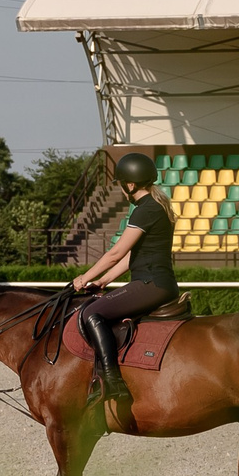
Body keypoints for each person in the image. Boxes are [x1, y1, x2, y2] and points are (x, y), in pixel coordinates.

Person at [70, 151, 179, 413]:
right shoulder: (155, 206)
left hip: (151, 284)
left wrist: (85, 277)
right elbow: (132, 257)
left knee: (91, 313)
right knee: (97, 303)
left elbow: (116, 253)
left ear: (130, 185)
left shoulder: (144, 210)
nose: (121, 188)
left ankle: (113, 381)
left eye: (121, 183)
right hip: (156, 281)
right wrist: (102, 281)